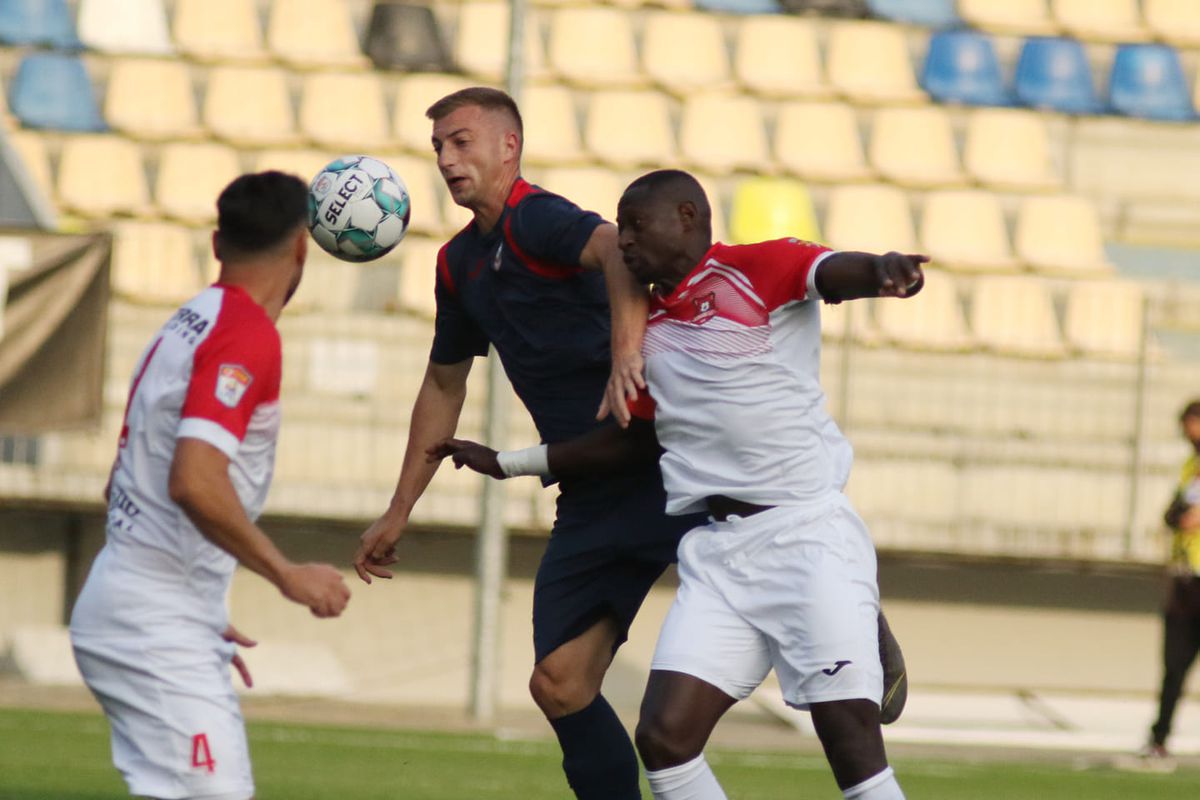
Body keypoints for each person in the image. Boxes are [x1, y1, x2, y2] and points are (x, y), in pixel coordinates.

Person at [433, 169, 923, 800]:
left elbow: (831, 273)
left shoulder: (756, 266)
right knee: (664, 739)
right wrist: (509, 463)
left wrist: (881, 270)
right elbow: (627, 442)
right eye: (621, 227)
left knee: (849, 740)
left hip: (806, 536)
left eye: (638, 225)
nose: (625, 241)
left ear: (688, 217)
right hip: (719, 552)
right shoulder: (646, 333)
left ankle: (862, 618)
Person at [351, 86, 704, 800]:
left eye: (461, 142)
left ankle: (851, 626)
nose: (448, 160)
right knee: (561, 684)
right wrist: (398, 510)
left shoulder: (534, 218)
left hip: (668, 468)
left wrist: (625, 356)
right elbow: (443, 385)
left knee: (776, 613)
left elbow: (614, 248)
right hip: (590, 489)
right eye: (438, 148)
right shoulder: (457, 265)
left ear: (508, 147)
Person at [70, 171, 352, 800]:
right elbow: (194, 480)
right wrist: (287, 574)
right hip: (153, 619)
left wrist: (194, 593)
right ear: (302, 247)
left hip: (145, 598)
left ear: (218, 243)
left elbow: (127, 476)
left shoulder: (189, 320)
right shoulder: (246, 334)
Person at [1130, 399, 1200, 772]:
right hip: (1186, 579)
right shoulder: (1191, 468)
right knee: (1174, 664)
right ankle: (1159, 739)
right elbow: (1174, 514)